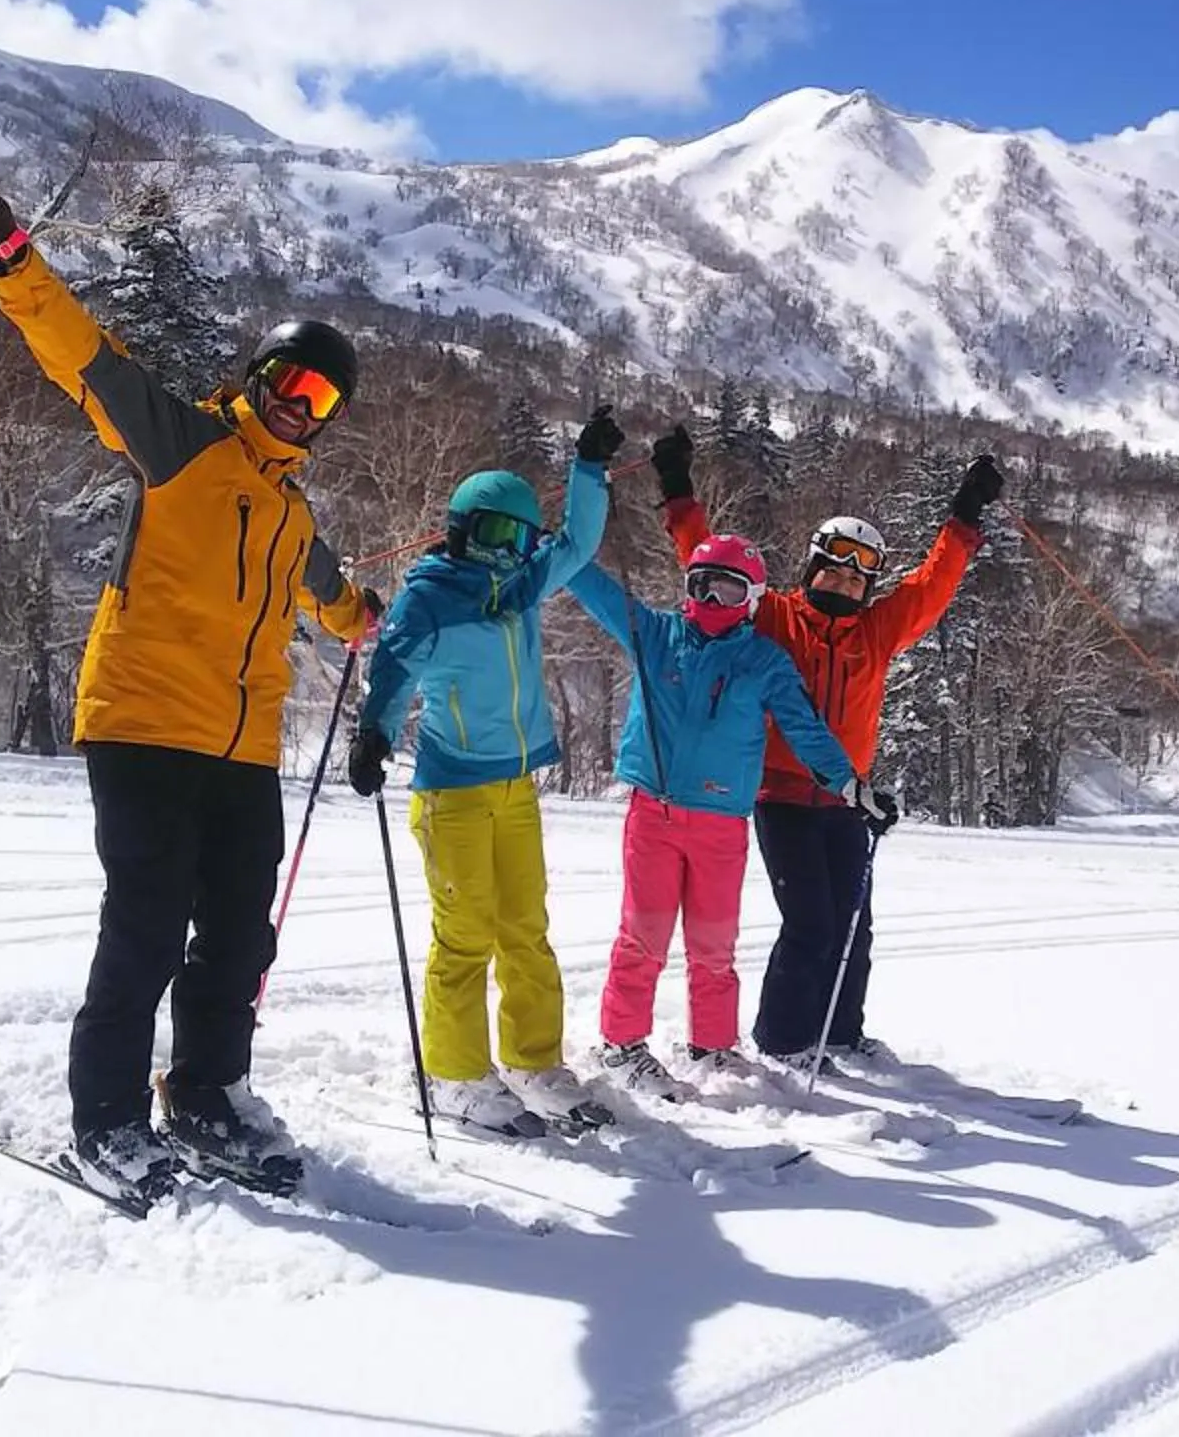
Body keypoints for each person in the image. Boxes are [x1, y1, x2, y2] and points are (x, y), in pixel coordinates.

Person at [0, 181, 374, 1209]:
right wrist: (10, 257)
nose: (293, 406)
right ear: (255, 377)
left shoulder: (292, 512)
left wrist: (363, 613)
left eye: (316, 402)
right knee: (146, 919)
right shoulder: (185, 445)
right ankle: (107, 1119)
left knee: (238, 928)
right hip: (143, 721)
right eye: (286, 383)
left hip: (243, 746)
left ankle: (210, 1091)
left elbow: (331, 594)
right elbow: (82, 356)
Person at [649, 429, 1004, 1066]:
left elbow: (930, 586)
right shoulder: (774, 616)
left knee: (852, 929)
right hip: (780, 794)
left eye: (857, 576)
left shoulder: (877, 629)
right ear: (813, 567)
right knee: (810, 922)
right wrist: (677, 488)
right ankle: (784, 1042)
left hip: (847, 800)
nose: (843, 583)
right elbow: (708, 566)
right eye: (834, 569)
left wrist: (965, 514)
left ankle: (840, 1034)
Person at [346, 413, 620, 1137]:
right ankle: (454, 1074)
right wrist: (373, 732)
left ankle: (532, 1059)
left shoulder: (523, 585)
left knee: (525, 929)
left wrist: (588, 470)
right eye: (497, 535)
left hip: (517, 788)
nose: (511, 552)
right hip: (452, 793)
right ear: (463, 530)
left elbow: (577, 544)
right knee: (464, 934)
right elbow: (393, 673)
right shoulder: (429, 598)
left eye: (519, 539)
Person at [562, 534, 887, 1100]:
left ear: (752, 597)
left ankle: (712, 1044)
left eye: (729, 589)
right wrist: (557, 547)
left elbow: (806, 729)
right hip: (654, 815)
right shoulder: (656, 635)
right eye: (703, 585)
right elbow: (594, 588)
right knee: (643, 936)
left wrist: (849, 785)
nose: (714, 600)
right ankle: (621, 1043)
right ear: (689, 585)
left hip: (722, 823)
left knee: (714, 945)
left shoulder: (763, 660)